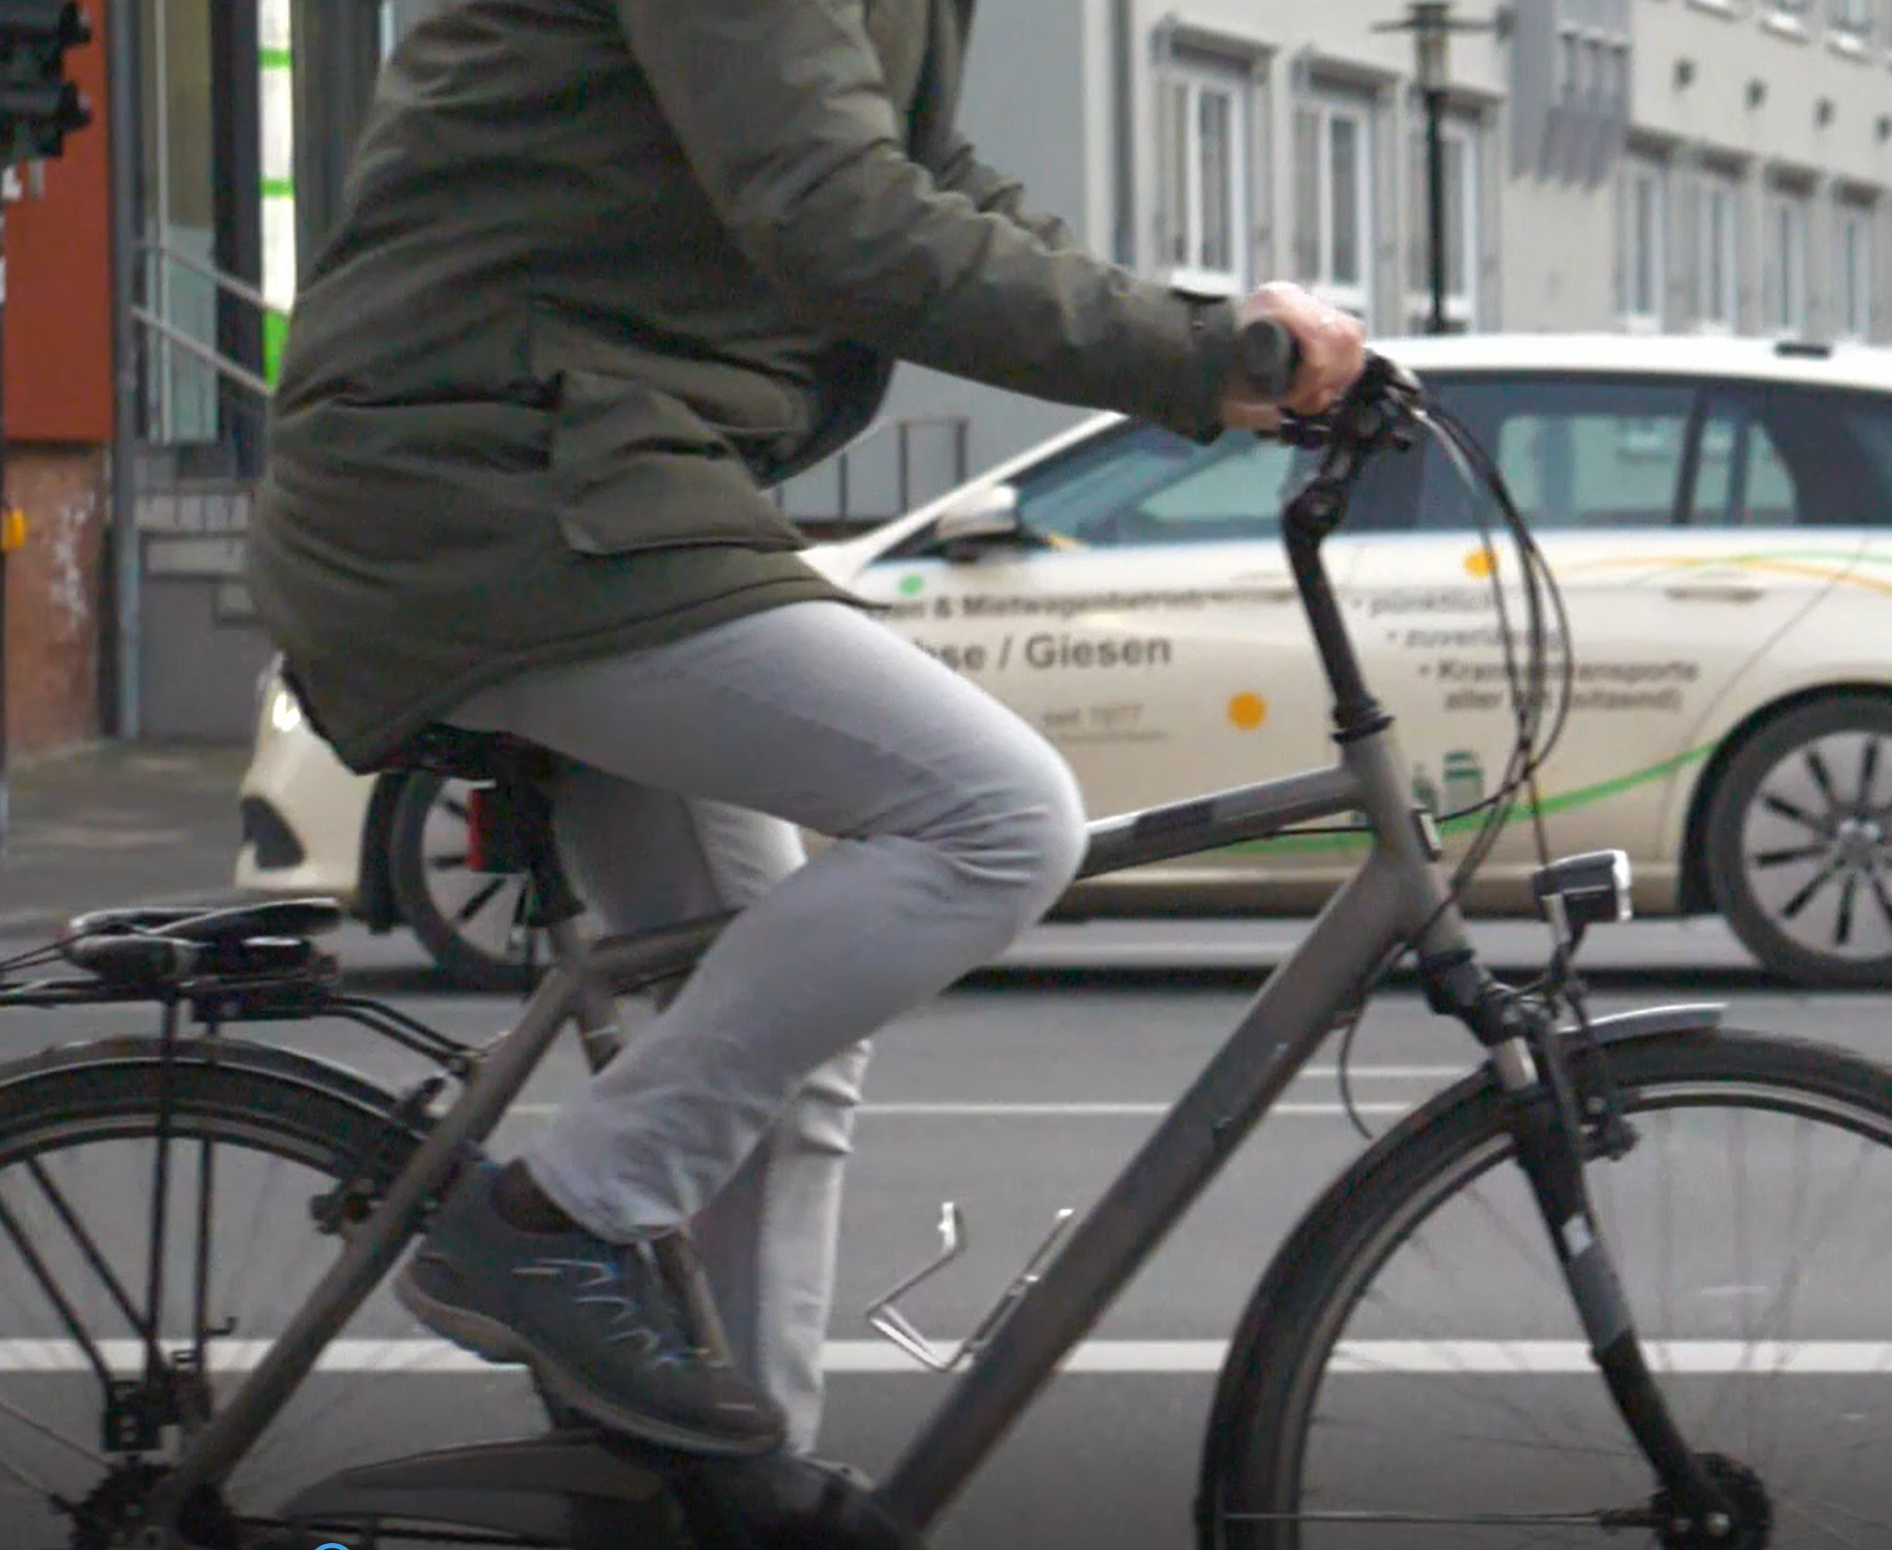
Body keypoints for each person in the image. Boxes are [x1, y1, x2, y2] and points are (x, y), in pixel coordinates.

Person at [242, 0, 1366, 1461]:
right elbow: (837, 218)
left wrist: (1212, 341)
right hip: (496, 488)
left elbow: (929, 179)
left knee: (771, 1038)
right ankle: (545, 1220)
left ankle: (736, 1485)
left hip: (592, 471)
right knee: (996, 813)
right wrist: (1183, 353)